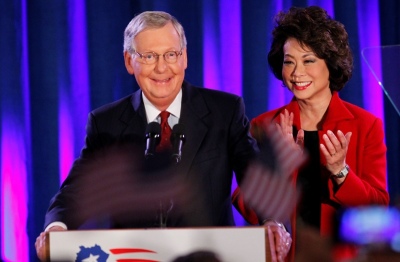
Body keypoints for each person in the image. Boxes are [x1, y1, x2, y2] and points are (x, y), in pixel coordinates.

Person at [35, 11, 291, 261]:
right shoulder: (106, 124)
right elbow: (77, 190)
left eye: (171, 54)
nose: (161, 67)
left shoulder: (224, 111)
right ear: (128, 61)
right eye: (148, 56)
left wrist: (272, 221)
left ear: (185, 58)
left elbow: (255, 176)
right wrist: (56, 228)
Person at [232, 5, 389, 261]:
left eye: (308, 60)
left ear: (332, 64)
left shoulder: (365, 125)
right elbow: (245, 202)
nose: (296, 73)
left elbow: (377, 209)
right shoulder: (264, 126)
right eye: (289, 62)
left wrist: (341, 172)